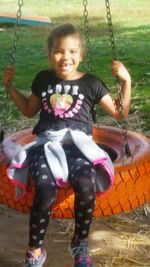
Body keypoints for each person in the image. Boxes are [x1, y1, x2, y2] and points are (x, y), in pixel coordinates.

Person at [3, 23, 131, 267]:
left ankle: (80, 244)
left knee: (85, 183)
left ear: (80, 54)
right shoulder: (43, 79)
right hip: (46, 143)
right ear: (50, 54)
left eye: (72, 51)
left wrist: (125, 82)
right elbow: (29, 111)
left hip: (77, 145)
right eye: (59, 51)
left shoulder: (92, 83)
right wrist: (10, 88)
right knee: (43, 186)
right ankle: (35, 251)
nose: (66, 57)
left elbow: (119, 113)